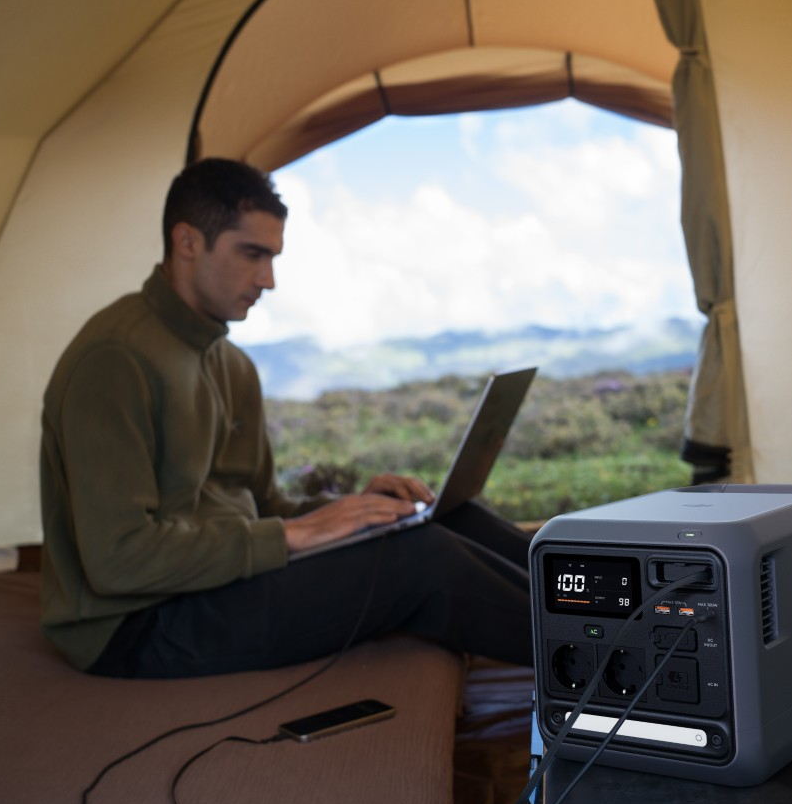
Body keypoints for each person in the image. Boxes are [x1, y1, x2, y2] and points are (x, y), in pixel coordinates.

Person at [39, 157, 533, 678]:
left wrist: (356, 510)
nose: (268, 280)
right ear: (186, 242)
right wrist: (291, 537)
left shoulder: (231, 364)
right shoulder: (116, 359)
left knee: (441, 517)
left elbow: (265, 504)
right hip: (137, 624)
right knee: (418, 560)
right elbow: (118, 559)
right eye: (252, 254)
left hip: (220, 580)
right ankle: (613, 663)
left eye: (272, 257)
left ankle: (610, 617)